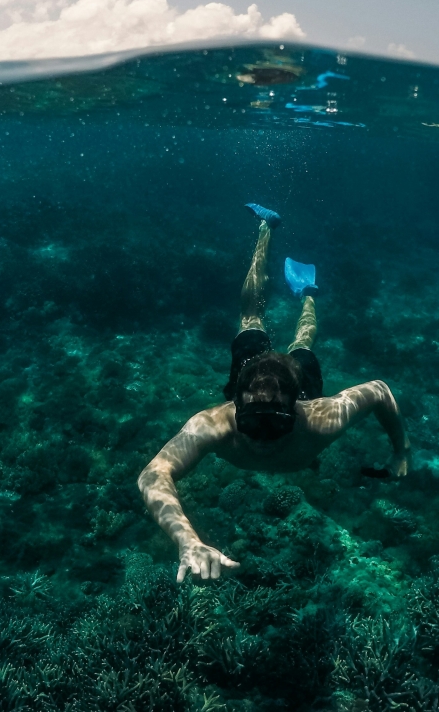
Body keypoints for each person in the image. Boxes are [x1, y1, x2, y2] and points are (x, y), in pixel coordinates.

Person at [137, 204, 411, 583]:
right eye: (252, 422)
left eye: (275, 423)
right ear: (236, 403)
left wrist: (401, 450)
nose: (263, 437)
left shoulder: (319, 417)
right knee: (251, 312)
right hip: (256, 374)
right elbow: (153, 474)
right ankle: (268, 226)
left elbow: (380, 391)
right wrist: (188, 541)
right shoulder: (214, 425)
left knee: (304, 339)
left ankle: (307, 292)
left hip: (294, 384)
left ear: (296, 409)